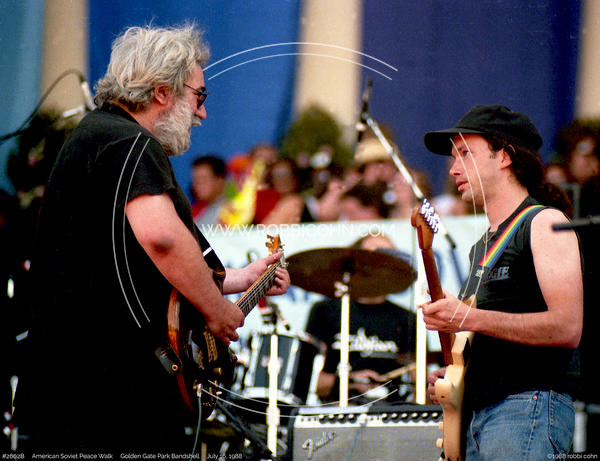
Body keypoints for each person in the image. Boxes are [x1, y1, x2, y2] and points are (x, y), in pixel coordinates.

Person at [13, 24, 290, 453]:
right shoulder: (129, 142)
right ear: (162, 92)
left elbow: (146, 265)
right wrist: (217, 311)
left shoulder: (103, 137)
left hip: (79, 393)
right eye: (199, 96)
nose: (202, 113)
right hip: (105, 398)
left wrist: (241, 279)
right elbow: (162, 239)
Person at [422, 105, 583, 460]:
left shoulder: (544, 222)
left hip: (526, 408)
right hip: (481, 417)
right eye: (454, 157)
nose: (453, 169)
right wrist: (455, 379)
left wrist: (467, 317)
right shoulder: (481, 246)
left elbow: (567, 327)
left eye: (465, 154)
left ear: (505, 157)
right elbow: (493, 337)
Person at [304, 234, 417, 403]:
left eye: (388, 256)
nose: (381, 262)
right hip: (338, 409)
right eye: (374, 255)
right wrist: (352, 381)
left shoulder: (407, 319)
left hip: (391, 410)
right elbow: (310, 381)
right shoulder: (325, 311)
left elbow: (419, 384)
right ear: (355, 264)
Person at [190, 154, 227, 225]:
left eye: (203, 179)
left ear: (220, 181)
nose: (197, 185)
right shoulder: (193, 211)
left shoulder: (232, 212)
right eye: (195, 180)